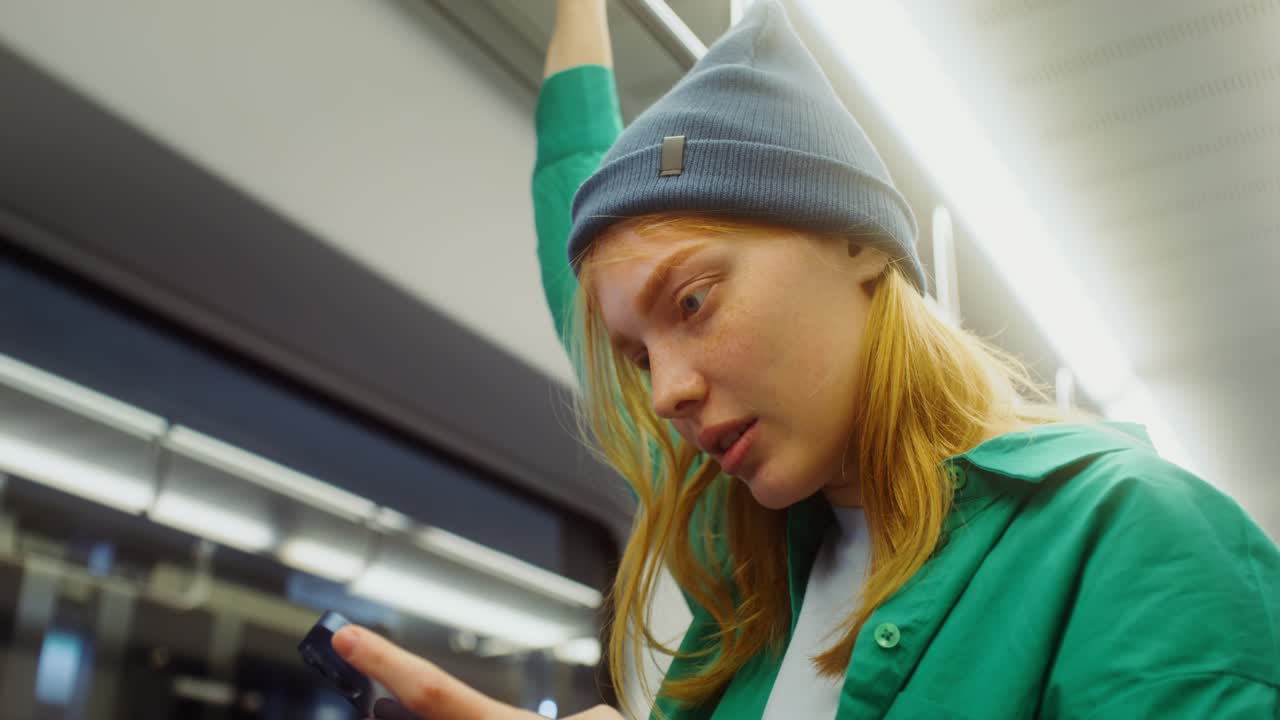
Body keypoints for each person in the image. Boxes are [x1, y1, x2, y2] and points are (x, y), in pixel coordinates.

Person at [332, 2, 1280, 718]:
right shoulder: (746, 576)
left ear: (858, 243)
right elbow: (572, 208)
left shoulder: (1137, 540)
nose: (665, 392)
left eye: (695, 302)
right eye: (636, 354)